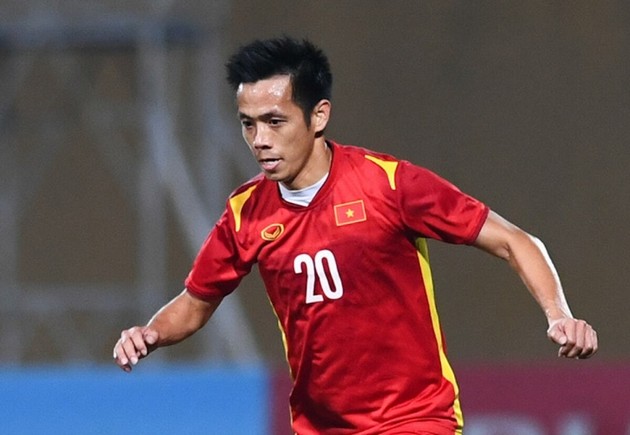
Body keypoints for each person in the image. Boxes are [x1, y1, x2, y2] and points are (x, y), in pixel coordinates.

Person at [113, 37, 598, 435]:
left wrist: (559, 315)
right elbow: (196, 302)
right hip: (320, 427)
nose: (259, 140)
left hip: (414, 419)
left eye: (275, 122)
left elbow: (515, 241)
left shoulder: (389, 184)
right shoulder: (245, 214)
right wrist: (151, 333)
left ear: (319, 116)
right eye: (248, 124)